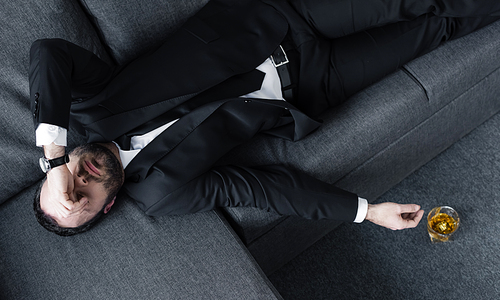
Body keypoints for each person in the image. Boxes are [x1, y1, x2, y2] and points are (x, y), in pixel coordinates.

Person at [30, 0, 499, 236]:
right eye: (81, 200)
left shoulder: (89, 104)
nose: (79, 182)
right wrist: (367, 212)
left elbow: (48, 53)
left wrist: (53, 162)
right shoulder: (161, 194)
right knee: (440, 27)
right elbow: (263, 189)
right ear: (107, 206)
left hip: (282, 14)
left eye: (67, 184)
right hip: (315, 82)